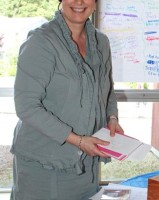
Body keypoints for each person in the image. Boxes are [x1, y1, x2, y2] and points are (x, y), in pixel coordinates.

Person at [10, 0, 124, 199]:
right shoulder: (41, 41)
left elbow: (107, 89)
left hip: (86, 163)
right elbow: (26, 106)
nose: (79, 2)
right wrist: (78, 141)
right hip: (44, 164)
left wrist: (112, 118)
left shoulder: (101, 42)